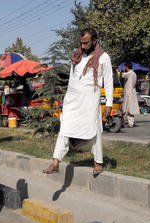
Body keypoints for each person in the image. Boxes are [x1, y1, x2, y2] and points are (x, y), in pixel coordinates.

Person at [42, 28, 114, 176]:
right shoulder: (77, 55)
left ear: (94, 41)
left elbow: (108, 82)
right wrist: (67, 98)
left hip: (90, 98)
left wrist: (109, 103)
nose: (82, 46)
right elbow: (72, 78)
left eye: (86, 43)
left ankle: (98, 163)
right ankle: (55, 162)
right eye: (81, 43)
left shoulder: (104, 57)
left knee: (94, 131)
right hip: (73, 99)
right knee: (65, 129)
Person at [121, 62, 140, 127]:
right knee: (130, 108)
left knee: (128, 108)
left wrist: (122, 71)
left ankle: (130, 123)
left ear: (126, 67)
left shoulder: (129, 73)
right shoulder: (134, 73)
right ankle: (130, 122)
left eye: (125, 66)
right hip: (132, 91)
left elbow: (123, 75)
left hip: (129, 92)